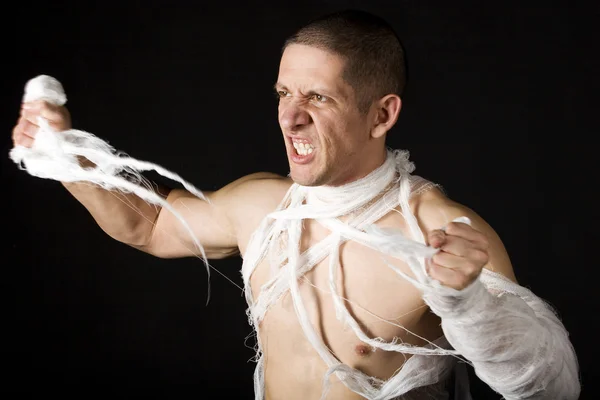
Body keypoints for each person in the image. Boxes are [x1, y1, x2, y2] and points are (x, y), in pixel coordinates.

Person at [12, 9, 580, 400]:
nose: (289, 117)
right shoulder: (263, 204)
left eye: (318, 97)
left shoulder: (439, 234)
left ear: (381, 115)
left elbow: (551, 387)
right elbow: (152, 225)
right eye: (284, 93)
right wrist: (62, 157)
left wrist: (472, 306)